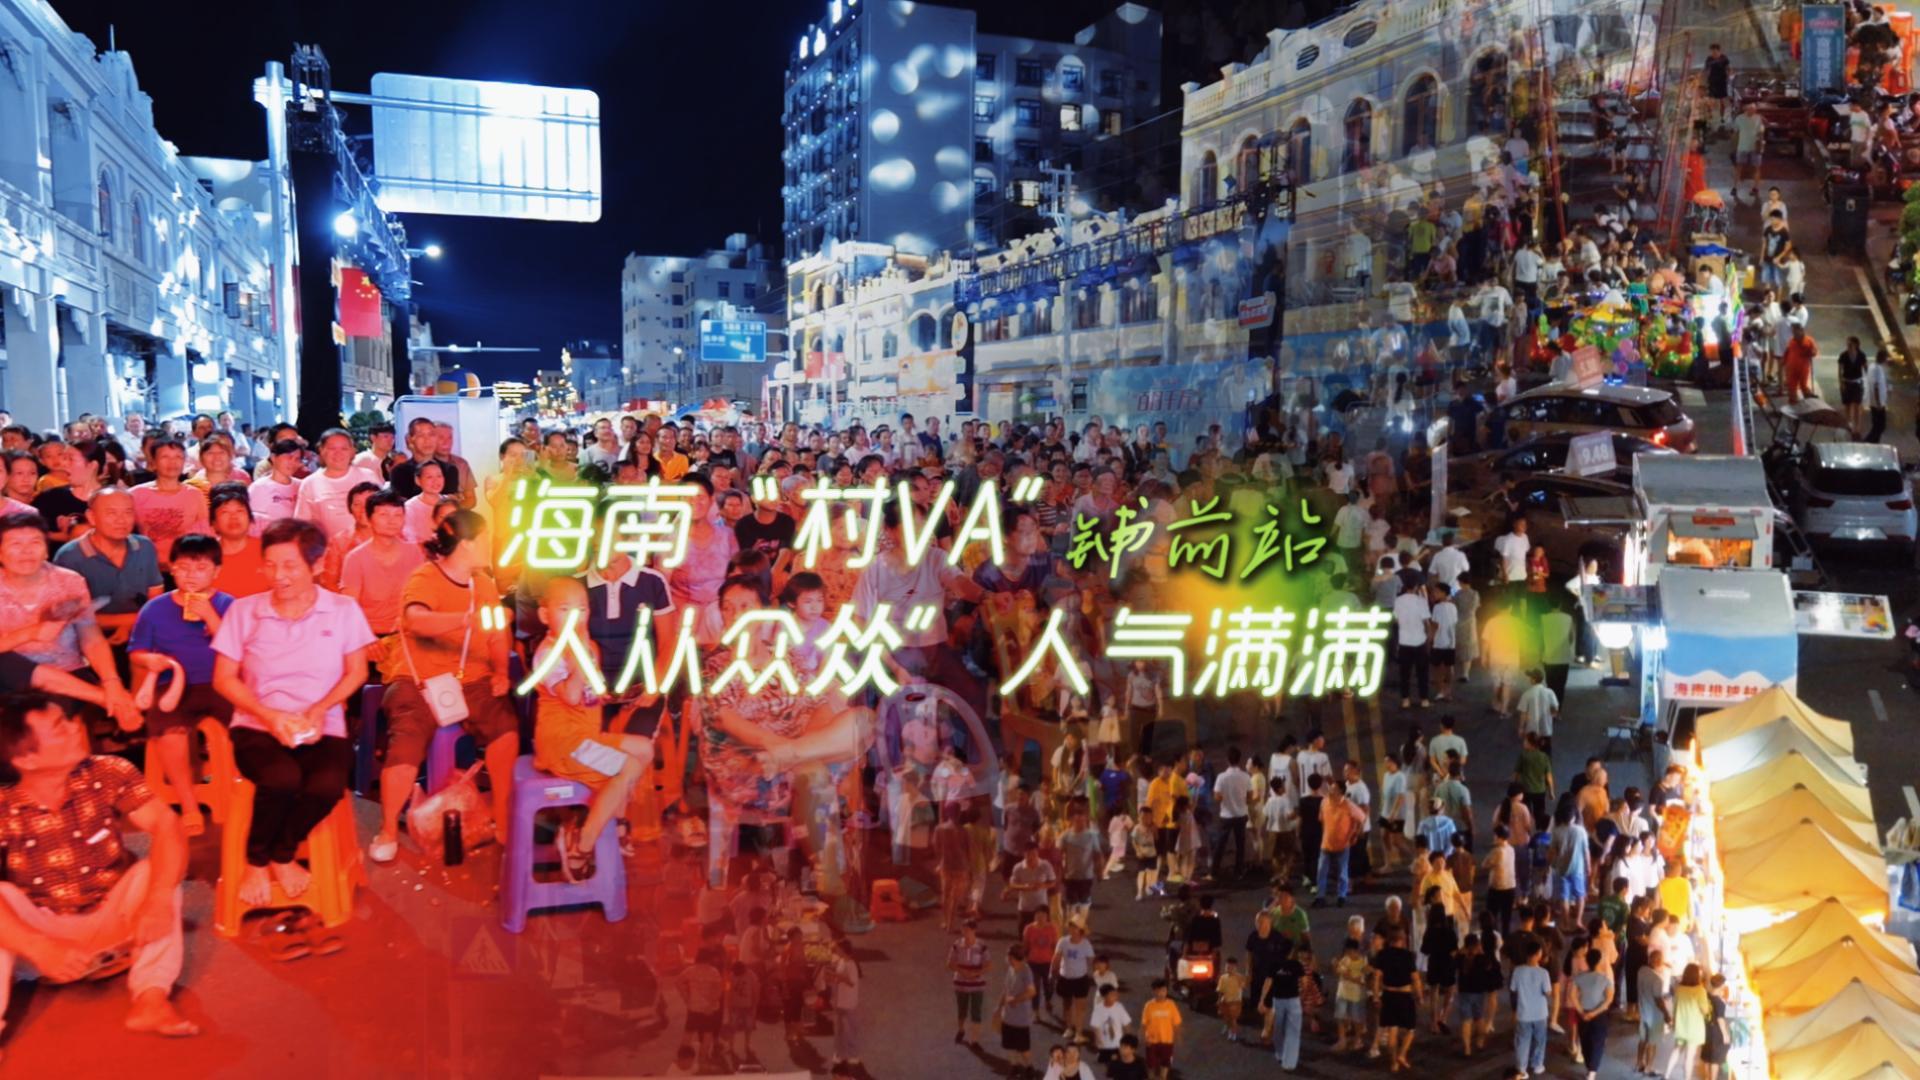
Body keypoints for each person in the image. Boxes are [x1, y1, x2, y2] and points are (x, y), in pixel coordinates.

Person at [0, 692, 198, 1044]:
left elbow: (167, 826)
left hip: (116, 926)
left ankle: (151, 999)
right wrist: (38, 947)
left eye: (69, 719)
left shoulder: (108, 772)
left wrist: (157, 900)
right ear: (26, 759)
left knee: (152, 873)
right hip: (39, 942)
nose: (76, 727)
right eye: (60, 727)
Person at [209, 518, 372, 908]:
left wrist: (318, 710)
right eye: (270, 565)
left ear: (316, 565)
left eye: (289, 566)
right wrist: (269, 716)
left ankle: (281, 854)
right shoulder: (244, 611)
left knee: (326, 785)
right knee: (281, 778)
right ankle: (255, 861)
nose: (278, 576)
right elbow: (224, 679)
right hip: (256, 725)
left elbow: (357, 672)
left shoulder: (343, 610)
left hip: (323, 724)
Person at [368, 510, 519, 864]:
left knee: (505, 727)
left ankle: (500, 817)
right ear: (466, 544)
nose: (490, 545)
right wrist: (465, 620)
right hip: (418, 680)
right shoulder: (425, 577)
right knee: (407, 739)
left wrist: (500, 671)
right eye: (484, 539)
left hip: (472, 679)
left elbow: (497, 635)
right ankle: (387, 829)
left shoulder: (483, 584)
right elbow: (415, 620)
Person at [529, 577, 656, 878]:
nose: (575, 618)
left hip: (586, 737)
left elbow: (590, 693)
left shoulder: (589, 648)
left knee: (644, 748)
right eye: (565, 609)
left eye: (582, 609)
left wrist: (612, 696)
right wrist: (577, 659)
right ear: (545, 615)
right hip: (563, 743)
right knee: (628, 767)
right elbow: (572, 696)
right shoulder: (547, 653)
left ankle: (614, 821)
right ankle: (581, 845)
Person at [126, 535, 234, 838]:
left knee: (248, 726)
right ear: (171, 569)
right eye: (183, 568)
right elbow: (136, 651)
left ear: (216, 571)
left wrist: (210, 617)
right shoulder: (154, 609)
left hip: (221, 681)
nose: (191, 575)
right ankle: (188, 805)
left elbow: (238, 649)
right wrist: (150, 660)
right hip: (172, 685)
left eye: (200, 568)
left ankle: (239, 790)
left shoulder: (228, 604)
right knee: (170, 734)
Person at [52, 487, 163, 647]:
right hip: (89, 638)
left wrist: (131, 626)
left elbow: (155, 598)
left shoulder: (145, 546)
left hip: (143, 629)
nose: (121, 520)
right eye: (111, 513)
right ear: (92, 517)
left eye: (128, 512)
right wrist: (134, 620)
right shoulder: (69, 556)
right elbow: (72, 616)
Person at [292, 429, 380, 543]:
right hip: (329, 549)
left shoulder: (368, 476)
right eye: (332, 448)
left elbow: (384, 510)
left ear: (352, 451)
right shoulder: (310, 483)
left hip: (370, 546)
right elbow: (302, 525)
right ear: (321, 450)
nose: (338, 453)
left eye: (344, 448)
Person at [1370, 926, 1421, 1072]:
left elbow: (1377, 977)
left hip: (1388, 994)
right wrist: (1419, 995)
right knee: (1410, 1029)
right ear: (1402, 939)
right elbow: (1415, 978)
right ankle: (1402, 1054)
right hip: (1405, 995)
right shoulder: (1408, 955)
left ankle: (1393, 1063)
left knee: (1392, 1029)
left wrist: (1375, 997)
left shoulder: (1382, 954)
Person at [1314, 780, 1365, 908]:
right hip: (1326, 844)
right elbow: (1321, 819)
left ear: (1341, 792)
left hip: (1343, 845)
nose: (1330, 791)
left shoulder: (1348, 805)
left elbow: (1362, 818)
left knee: (1342, 872)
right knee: (1321, 871)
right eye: (1330, 789)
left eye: (1334, 789)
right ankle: (1320, 897)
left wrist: (1355, 834)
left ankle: (1342, 896)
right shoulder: (1324, 802)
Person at [1509, 937, 1552, 1076]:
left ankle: (1521, 1069)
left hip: (1523, 1012)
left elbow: (1513, 989)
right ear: (1538, 954)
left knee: (1522, 1041)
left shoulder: (1517, 971)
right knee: (1540, 1040)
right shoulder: (1544, 973)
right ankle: (1537, 1065)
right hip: (1540, 1013)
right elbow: (1548, 992)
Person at [1000, 942, 1039, 1079]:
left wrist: (1015, 1000)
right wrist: (999, 1008)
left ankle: (1029, 1067)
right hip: (1008, 1017)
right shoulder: (1011, 969)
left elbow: (1032, 992)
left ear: (1015, 957)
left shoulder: (1026, 971)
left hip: (1021, 1019)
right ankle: (1014, 1066)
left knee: (1023, 1048)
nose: (1008, 959)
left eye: (1009, 957)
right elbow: (1006, 989)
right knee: (1009, 1045)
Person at [948, 919, 990, 1046]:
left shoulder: (982, 946)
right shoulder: (957, 945)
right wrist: (962, 972)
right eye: (963, 930)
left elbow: (988, 965)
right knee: (962, 1010)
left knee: (976, 1012)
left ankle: (975, 1039)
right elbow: (950, 963)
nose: (965, 933)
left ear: (974, 930)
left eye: (967, 930)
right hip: (960, 984)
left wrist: (976, 973)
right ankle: (961, 1029)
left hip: (977, 985)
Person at [1671, 962, 1710, 1080]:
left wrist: (1673, 1023)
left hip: (1681, 1027)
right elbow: (1705, 1010)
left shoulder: (1679, 989)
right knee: (1689, 1058)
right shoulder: (1700, 991)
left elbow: (1674, 1008)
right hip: (1694, 1029)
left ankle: (1666, 1075)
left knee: (1676, 1051)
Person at [1140, 978, 1181, 1080]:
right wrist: (1143, 1037)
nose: (1160, 994)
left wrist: (1177, 1036)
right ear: (1153, 991)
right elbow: (1144, 1023)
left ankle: (1163, 1077)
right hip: (1152, 1041)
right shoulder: (1149, 1006)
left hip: (1167, 1040)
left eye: (1163, 990)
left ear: (1166, 991)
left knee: (1165, 1062)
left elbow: (1176, 1023)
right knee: (1151, 1063)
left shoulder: (1171, 1005)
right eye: (1157, 991)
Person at [1090, 983, 1131, 1064]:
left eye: (1115, 994)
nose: (1115, 996)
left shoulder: (1119, 1007)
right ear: (1104, 997)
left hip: (1117, 1044)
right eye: (1112, 995)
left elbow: (1126, 1023)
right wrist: (1098, 1040)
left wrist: (1128, 1039)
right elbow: (1095, 1026)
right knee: (1105, 1062)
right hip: (1104, 1044)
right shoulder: (1098, 1009)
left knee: (1118, 1062)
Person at [1838, 335, 1869, 436]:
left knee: (1857, 406)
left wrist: (1868, 381)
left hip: (1857, 383)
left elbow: (1866, 368)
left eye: (1850, 344)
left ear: (1855, 345)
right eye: (1847, 344)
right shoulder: (1843, 355)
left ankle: (1857, 428)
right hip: (1847, 382)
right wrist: (1841, 383)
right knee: (1847, 406)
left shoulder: (1861, 355)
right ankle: (1849, 424)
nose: (1848, 346)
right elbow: (1840, 370)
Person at [1782, 321, 1818, 404]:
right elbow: (1787, 352)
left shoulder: (1809, 340)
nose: (1794, 333)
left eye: (1795, 331)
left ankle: (1809, 402)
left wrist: (1812, 352)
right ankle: (1793, 403)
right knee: (1791, 387)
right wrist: (1783, 362)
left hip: (1803, 368)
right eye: (1793, 331)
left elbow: (1814, 352)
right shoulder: (1791, 341)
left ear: (1801, 330)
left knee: (1803, 386)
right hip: (1791, 368)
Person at [1866, 346, 1893, 443]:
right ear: (1884, 358)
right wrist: (1879, 403)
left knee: (1877, 426)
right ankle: (1868, 441)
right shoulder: (1877, 369)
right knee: (1880, 426)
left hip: (1876, 402)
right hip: (1878, 403)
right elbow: (1876, 387)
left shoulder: (1874, 367)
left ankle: (1875, 443)